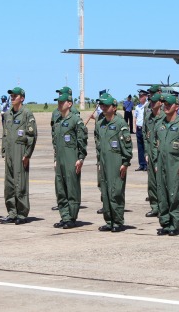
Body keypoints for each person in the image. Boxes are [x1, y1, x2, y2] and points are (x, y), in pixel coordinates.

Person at [152, 94, 179, 236]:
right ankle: (165, 223)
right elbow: (154, 144)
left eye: (169, 105)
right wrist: (156, 161)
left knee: (174, 194)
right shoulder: (159, 124)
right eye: (164, 104)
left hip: (175, 165)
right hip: (162, 165)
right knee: (162, 194)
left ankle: (174, 225)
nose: (166, 106)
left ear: (176, 107)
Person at [95, 95, 132, 232]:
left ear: (114, 107)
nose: (103, 107)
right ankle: (109, 220)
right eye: (102, 105)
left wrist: (125, 162)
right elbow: (98, 144)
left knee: (116, 191)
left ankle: (117, 221)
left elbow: (127, 145)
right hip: (104, 161)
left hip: (116, 161)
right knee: (105, 191)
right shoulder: (100, 124)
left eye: (106, 105)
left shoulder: (120, 124)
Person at [0, 87, 37, 225]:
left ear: (22, 98)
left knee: (20, 183)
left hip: (20, 151)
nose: (12, 98)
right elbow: (5, 133)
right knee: (9, 184)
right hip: (9, 152)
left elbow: (32, 136)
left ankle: (22, 213)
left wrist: (27, 154)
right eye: (11, 96)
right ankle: (12, 212)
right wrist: (4, 150)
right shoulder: (8, 114)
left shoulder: (27, 114)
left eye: (15, 96)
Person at [51, 93, 88, 229]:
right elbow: (55, 143)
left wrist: (80, 158)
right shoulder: (58, 121)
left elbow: (82, 140)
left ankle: (72, 217)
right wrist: (55, 159)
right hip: (60, 159)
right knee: (60, 189)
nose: (59, 104)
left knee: (72, 189)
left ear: (69, 104)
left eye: (62, 102)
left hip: (71, 158)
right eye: (58, 102)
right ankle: (64, 216)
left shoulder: (75, 120)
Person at [143, 93, 164, 217]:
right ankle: (155, 206)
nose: (151, 104)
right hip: (151, 154)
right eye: (150, 101)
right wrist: (146, 152)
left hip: (161, 154)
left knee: (162, 182)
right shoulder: (148, 118)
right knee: (152, 182)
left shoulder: (164, 118)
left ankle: (163, 207)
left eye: (154, 102)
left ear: (160, 103)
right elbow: (146, 136)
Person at [133, 90, 148, 171]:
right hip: (139, 128)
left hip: (145, 129)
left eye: (142, 96)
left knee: (146, 147)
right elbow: (135, 117)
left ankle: (146, 164)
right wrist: (134, 128)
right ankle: (141, 164)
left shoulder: (148, 106)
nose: (140, 98)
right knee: (140, 147)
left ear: (146, 96)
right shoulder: (137, 107)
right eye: (139, 96)